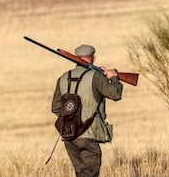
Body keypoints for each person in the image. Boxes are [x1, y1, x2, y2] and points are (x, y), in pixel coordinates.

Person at [51, 44, 123, 177]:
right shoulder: (96, 76)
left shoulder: (63, 77)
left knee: (81, 173)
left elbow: (55, 107)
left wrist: (70, 119)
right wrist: (113, 77)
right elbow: (116, 94)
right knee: (90, 173)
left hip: (69, 135)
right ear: (94, 58)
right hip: (88, 134)